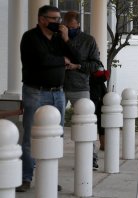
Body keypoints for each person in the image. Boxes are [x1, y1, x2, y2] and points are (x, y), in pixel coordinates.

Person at [18, 5, 78, 192]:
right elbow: (40, 60)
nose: (58, 23)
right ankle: (26, 177)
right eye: (54, 19)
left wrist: (67, 40)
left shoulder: (59, 39)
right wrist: (62, 61)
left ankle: (49, 176)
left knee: (55, 136)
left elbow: (76, 58)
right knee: (30, 136)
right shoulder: (30, 38)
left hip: (57, 93)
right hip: (35, 91)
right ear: (42, 19)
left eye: (59, 19)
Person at [63, 11, 101, 170]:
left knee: (86, 124)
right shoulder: (57, 37)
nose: (69, 30)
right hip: (58, 85)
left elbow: (95, 65)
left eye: (72, 27)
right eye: (66, 27)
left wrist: (77, 66)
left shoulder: (88, 40)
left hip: (80, 86)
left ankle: (91, 157)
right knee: (50, 123)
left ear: (78, 24)